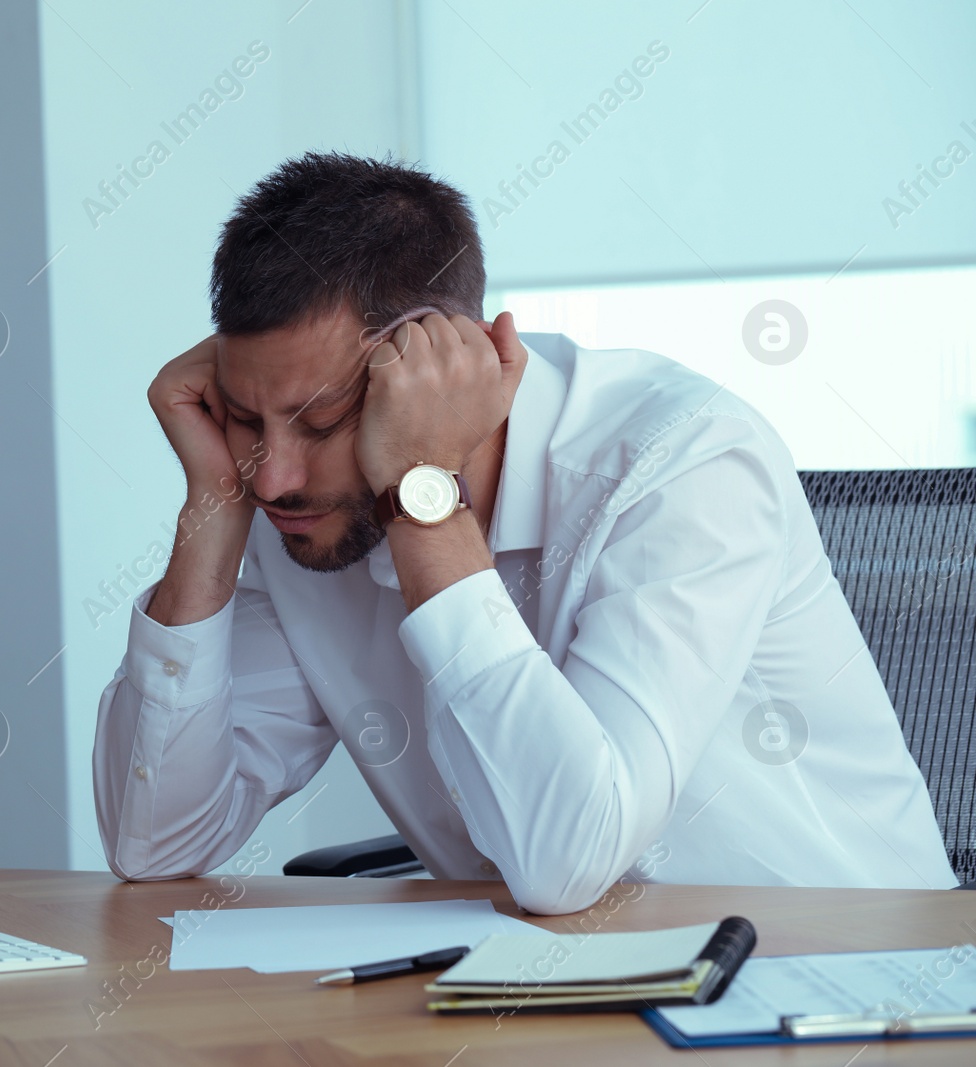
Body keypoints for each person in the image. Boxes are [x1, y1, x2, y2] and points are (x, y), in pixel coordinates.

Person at [91, 152, 956, 914]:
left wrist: (422, 496)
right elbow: (155, 843)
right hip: (549, 1000)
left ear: (442, 365)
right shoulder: (307, 511)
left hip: (840, 991)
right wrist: (212, 508)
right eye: (245, 419)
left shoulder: (684, 462)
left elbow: (564, 862)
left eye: (319, 424)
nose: (274, 474)